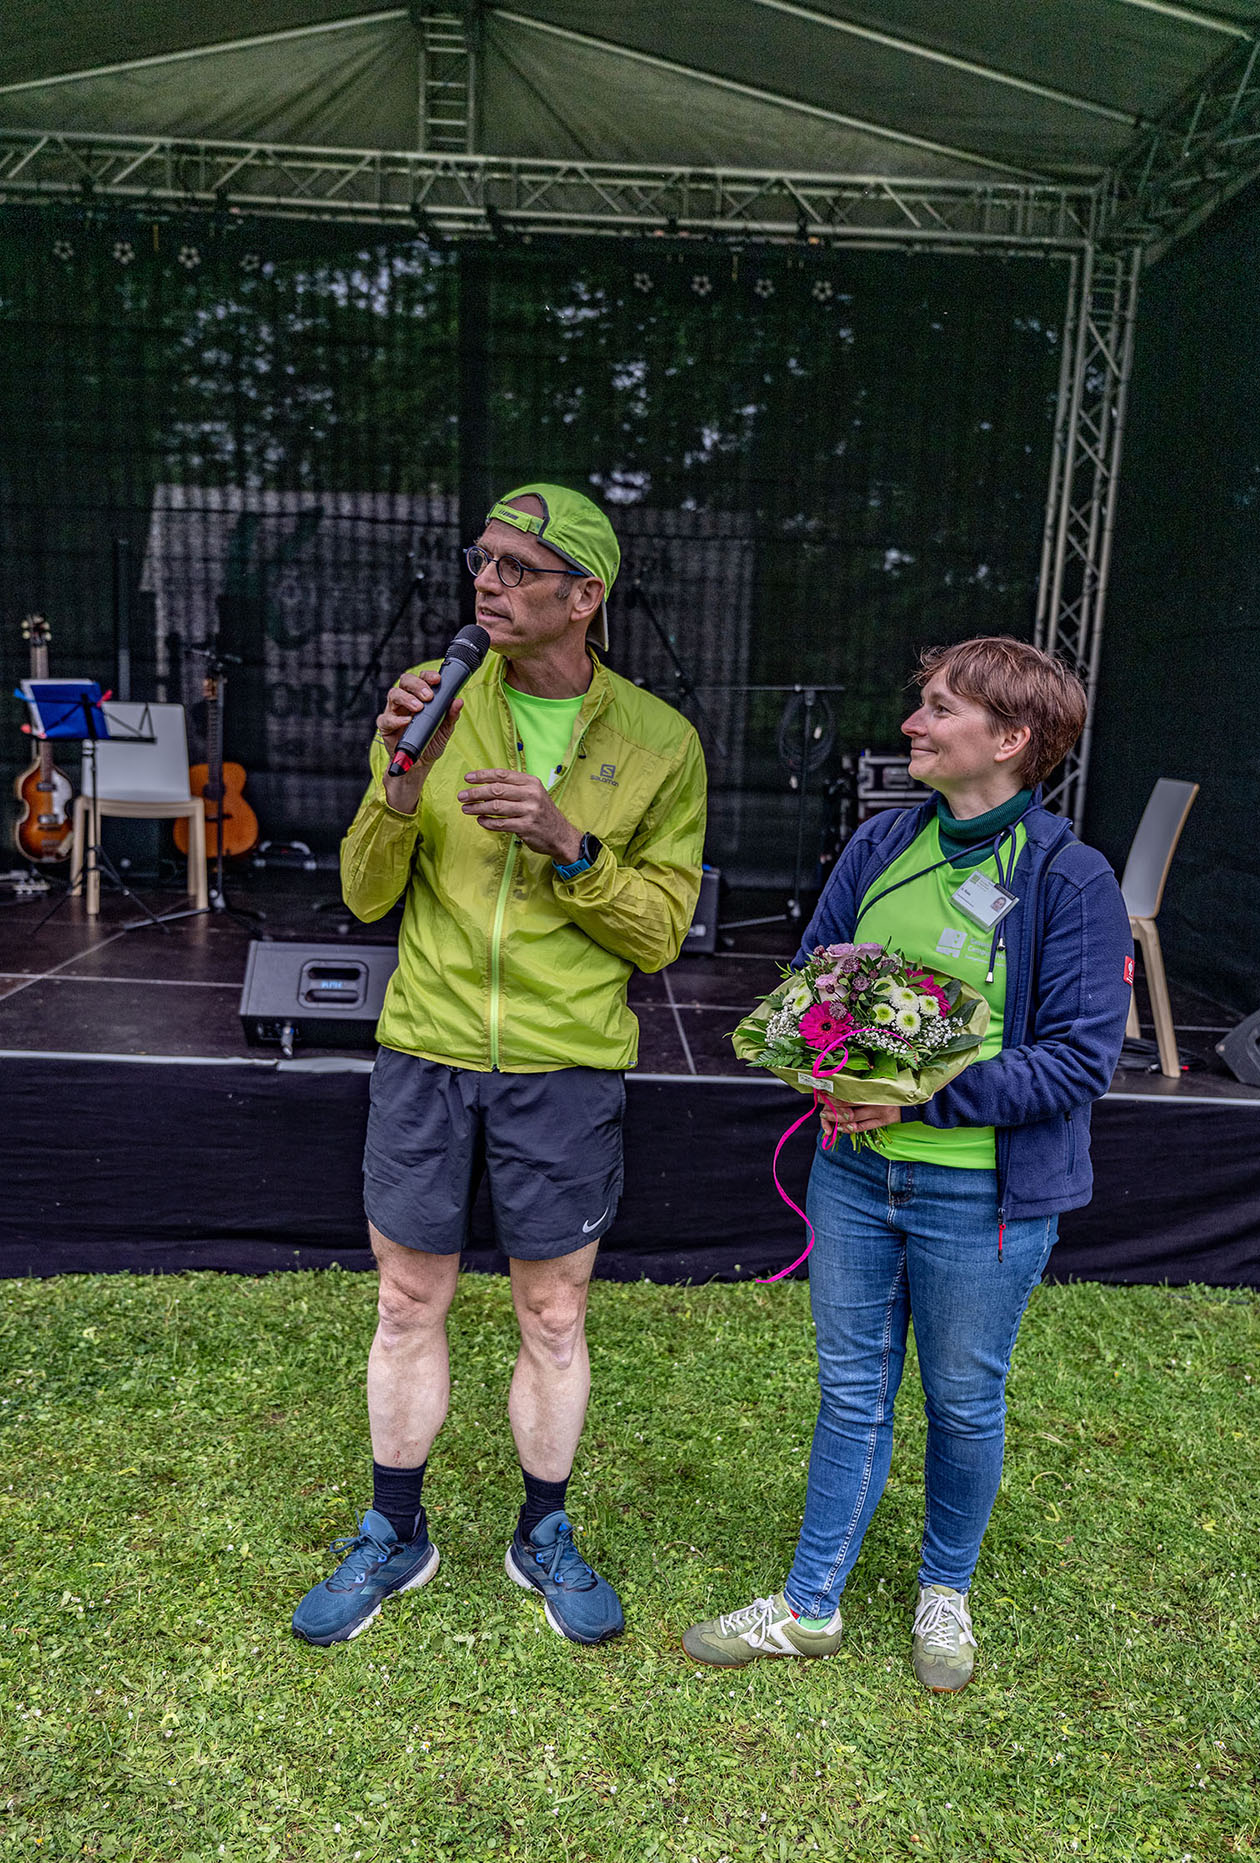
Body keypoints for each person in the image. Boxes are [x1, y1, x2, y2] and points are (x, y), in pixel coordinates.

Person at [292, 483, 707, 1649]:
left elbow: (659, 934)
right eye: (480, 559)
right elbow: (364, 892)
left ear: (585, 596)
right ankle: (394, 1531)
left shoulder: (659, 742)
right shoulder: (434, 697)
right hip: (425, 1046)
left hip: (562, 1063)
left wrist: (567, 843)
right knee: (405, 1298)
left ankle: (543, 1533)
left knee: (553, 1311)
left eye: (518, 567)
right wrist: (397, 784)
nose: (486, 581)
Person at [682, 637, 1132, 1691]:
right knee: (850, 1392)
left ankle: (944, 1593)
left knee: (962, 1402)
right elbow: (816, 975)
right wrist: (819, 1062)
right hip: (852, 1176)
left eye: (937, 709)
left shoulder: (1068, 877)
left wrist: (916, 1092)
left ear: (1010, 738)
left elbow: (1078, 1060)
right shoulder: (882, 839)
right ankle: (809, 1606)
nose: (910, 725)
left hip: (980, 1195)